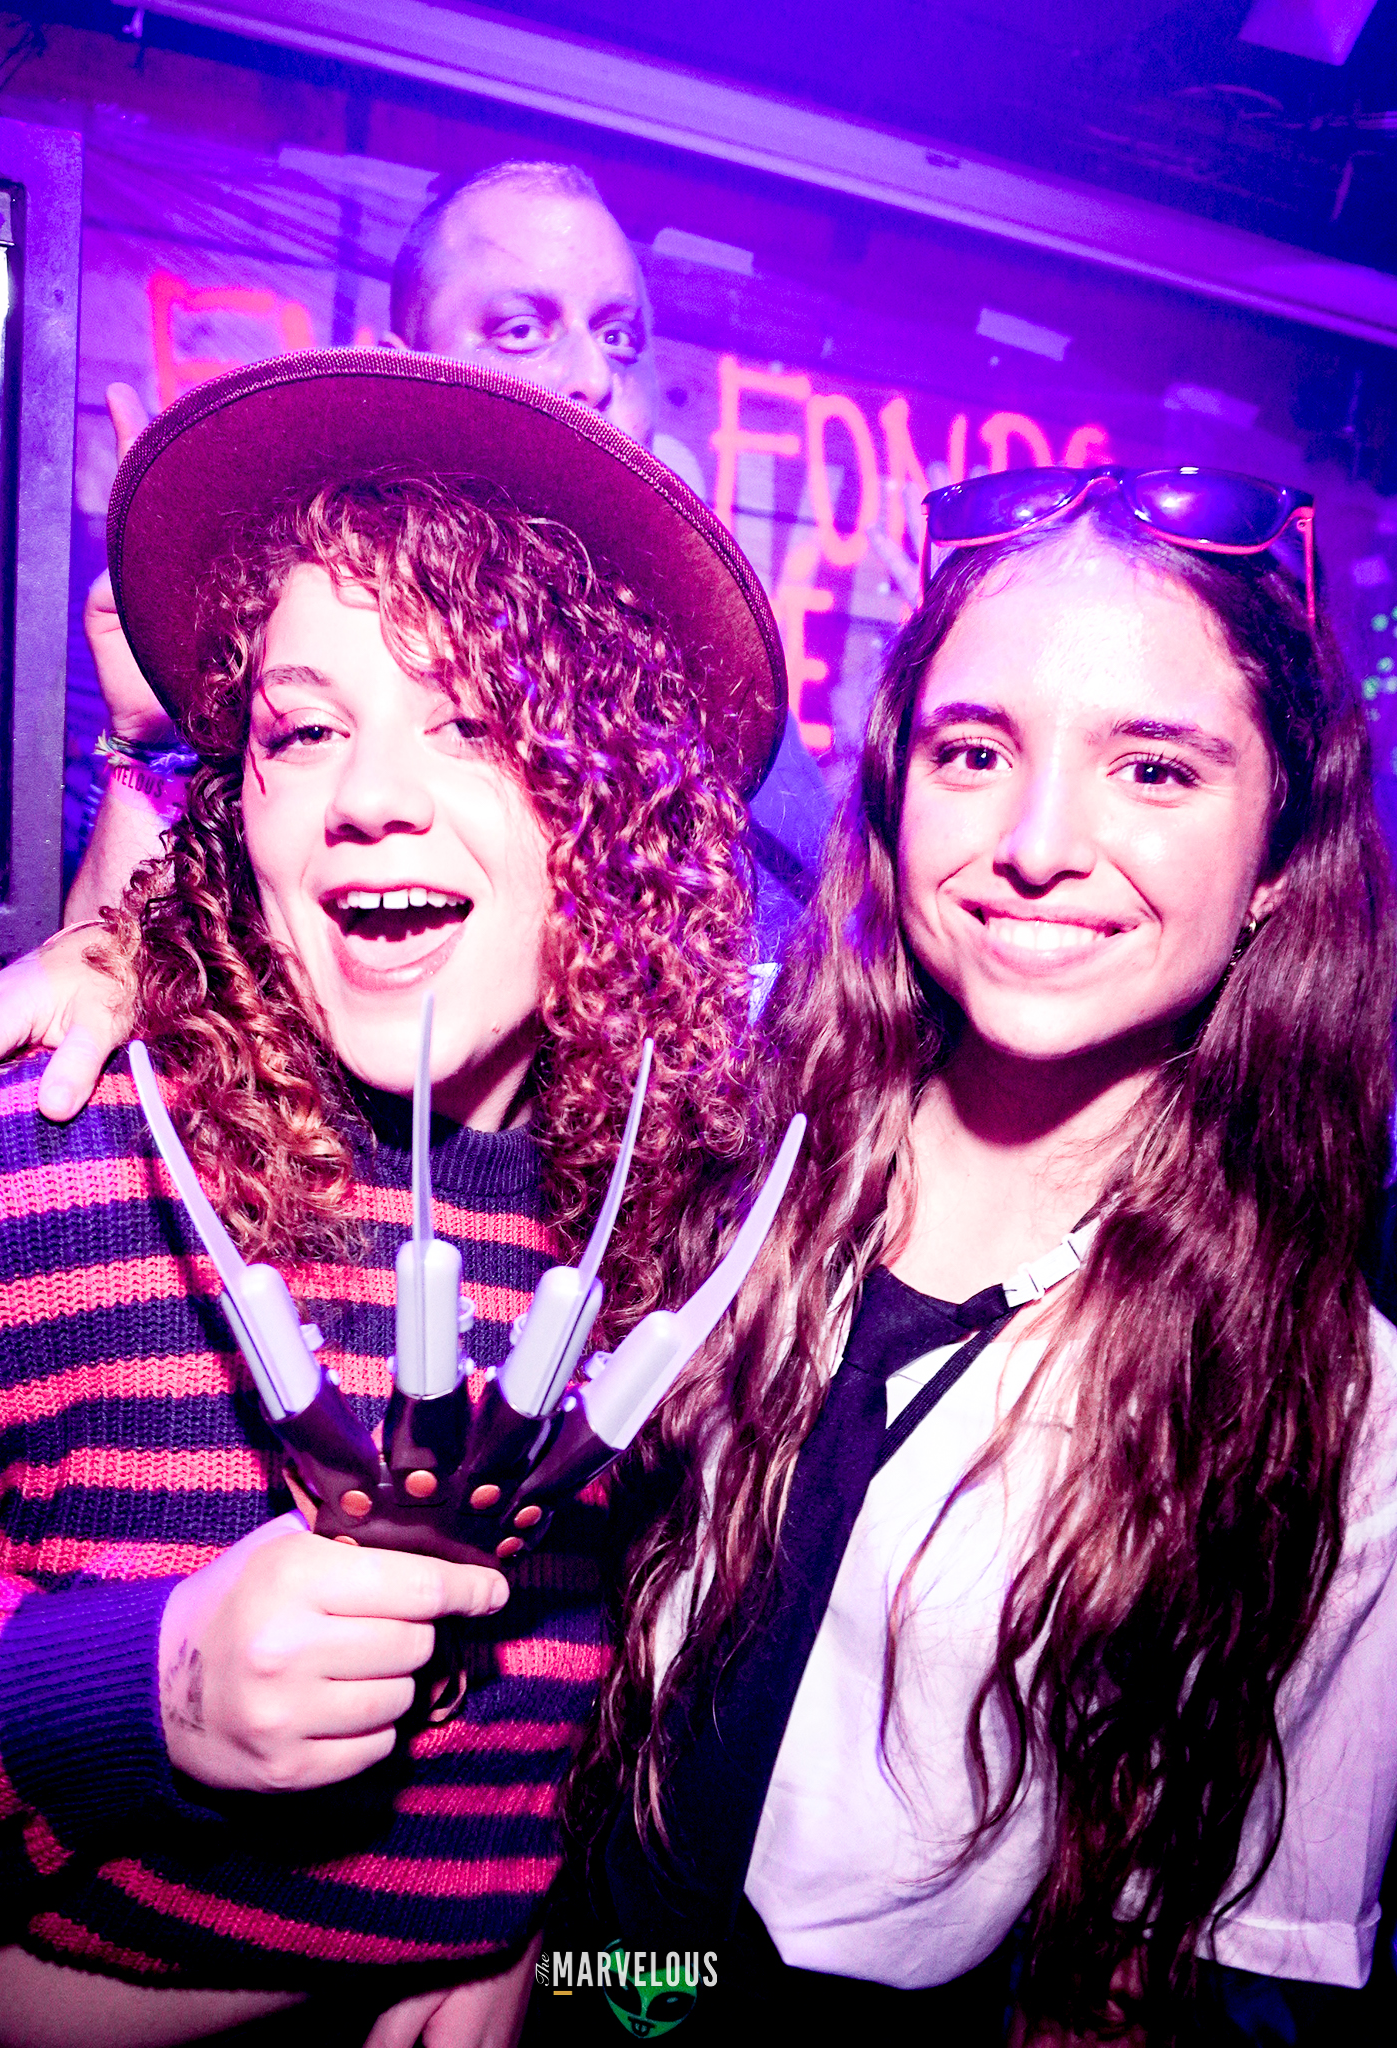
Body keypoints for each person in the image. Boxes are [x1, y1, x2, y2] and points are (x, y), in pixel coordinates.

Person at [0, 351, 780, 2044]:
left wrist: (518, 1922)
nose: (368, 799)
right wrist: (138, 1684)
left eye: (474, 718)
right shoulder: (58, 1168)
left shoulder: (675, 1227)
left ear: (621, 802)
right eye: (303, 728)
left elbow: (620, 1729)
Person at [568, 467, 1397, 2041]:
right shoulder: (703, 1140)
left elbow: (1176, 1983)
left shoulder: (1336, 1409)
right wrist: (110, 952)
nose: (1034, 844)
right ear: (892, 792)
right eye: (973, 752)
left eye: (1151, 769)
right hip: (557, 1973)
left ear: (1280, 855)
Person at [72, 158, 828, 953]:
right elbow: (118, 997)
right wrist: (148, 740)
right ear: (406, 363)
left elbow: (804, 981)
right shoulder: (301, 647)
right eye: (522, 330)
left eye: (619, 337)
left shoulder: (707, 698)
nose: (594, 376)